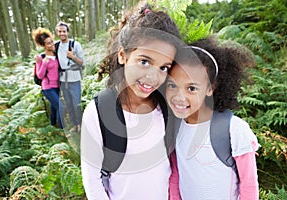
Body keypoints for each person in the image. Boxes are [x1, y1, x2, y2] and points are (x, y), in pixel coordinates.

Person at [80, 1, 183, 199]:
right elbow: (92, 180)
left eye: (164, 68)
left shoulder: (166, 108)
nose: (153, 77)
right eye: (144, 62)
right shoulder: (99, 112)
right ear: (122, 55)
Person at [166, 36, 259, 200]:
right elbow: (176, 175)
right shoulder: (175, 127)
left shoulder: (234, 129)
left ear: (210, 88)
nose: (179, 96)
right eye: (172, 85)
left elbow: (249, 184)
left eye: (191, 88)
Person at [55, 21, 85, 132]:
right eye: (59, 31)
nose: (62, 33)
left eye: (64, 31)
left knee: (77, 103)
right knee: (68, 103)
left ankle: (81, 124)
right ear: (57, 32)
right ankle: (74, 125)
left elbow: (82, 63)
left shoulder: (75, 45)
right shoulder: (56, 46)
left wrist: (73, 57)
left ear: (68, 32)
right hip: (62, 79)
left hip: (74, 78)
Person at [32, 27, 63, 129]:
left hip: (57, 86)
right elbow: (40, 75)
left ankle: (53, 126)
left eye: (51, 42)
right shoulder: (41, 58)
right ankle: (62, 130)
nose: (51, 44)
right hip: (48, 87)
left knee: (54, 107)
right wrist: (43, 63)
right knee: (60, 106)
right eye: (48, 43)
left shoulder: (56, 54)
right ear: (44, 45)